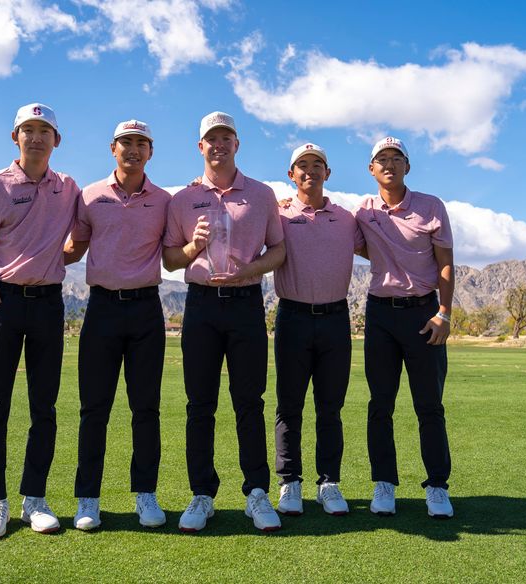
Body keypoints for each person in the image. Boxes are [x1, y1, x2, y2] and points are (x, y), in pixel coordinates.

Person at [162, 111, 286, 532]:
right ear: (200, 146)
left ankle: (256, 492)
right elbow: (169, 258)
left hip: (246, 305)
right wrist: (192, 247)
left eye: (226, 137)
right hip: (200, 306)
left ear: (237, 144)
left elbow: (279, 251)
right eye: (211, 138)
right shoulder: (181, 199)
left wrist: (249, 271)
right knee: (200, 405)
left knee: (249, 402)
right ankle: (202, 495)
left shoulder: (262, 194)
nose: (218, 144)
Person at [0, 103, 79, 539]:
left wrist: (63, 255)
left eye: (44, 130)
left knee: (43, 407)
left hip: (49, 304)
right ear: (15, 138)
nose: (35, 137)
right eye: (27, 130)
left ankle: (35, 499)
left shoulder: (67, 188)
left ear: (56, 140)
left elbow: (83, 232)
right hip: (6, 304)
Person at [64, 120, 170, 530]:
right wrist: (27, 254)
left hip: (146, 310)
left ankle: (146, 494)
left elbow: (178, 247)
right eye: (126, 142)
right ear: (113, 148)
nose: (133, 149)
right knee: (94, 409)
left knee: (146, 409)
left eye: (141, 143)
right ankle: (88, 498)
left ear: (150, 151)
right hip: (102, 310)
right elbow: (73, 247)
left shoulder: (164, 200)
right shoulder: (90, 196)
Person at [354, 136, 455, 519]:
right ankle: (384, 483)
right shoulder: (363, 211)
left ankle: (437, 486)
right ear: (371, 169)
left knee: (429, 405)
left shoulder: (431, 207)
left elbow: (445, 262)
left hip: (424, 314)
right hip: (380, 315)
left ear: (407, 167)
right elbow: (325, 226)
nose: (390, 164)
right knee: (380, 404)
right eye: (382, 159)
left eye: (397, 159)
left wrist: (444, 313)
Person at [273, 143, 365, 517]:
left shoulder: (347, 219)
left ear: (328, 173)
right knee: (289, 405)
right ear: (291, 174)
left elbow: (383, 248)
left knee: (330, 407)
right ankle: (290, 482)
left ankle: (329, 482)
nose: (310, 171)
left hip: (334, 319)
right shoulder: (278, 215)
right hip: (293, 317)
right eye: (302, 166)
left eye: (317, 165)